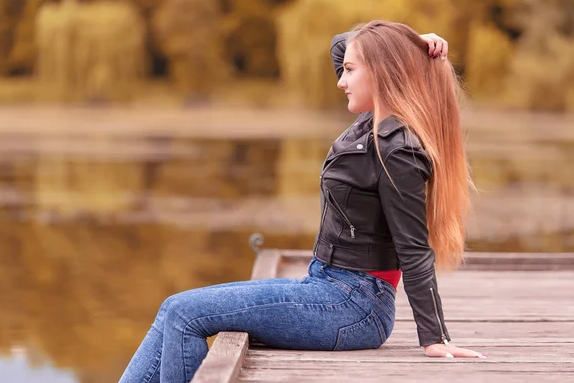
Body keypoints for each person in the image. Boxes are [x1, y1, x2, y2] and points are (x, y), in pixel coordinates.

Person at [119, 20, 485, 383]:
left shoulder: (396, 148)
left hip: (353, 306)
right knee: (173, 311)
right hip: (328, 287)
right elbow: (340, 46)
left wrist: (434, 338)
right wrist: (409, 44)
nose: (340, 80)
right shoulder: (371, 121)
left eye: (351, 71)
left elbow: (414, 248)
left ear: (383, 75)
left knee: (184, 314)